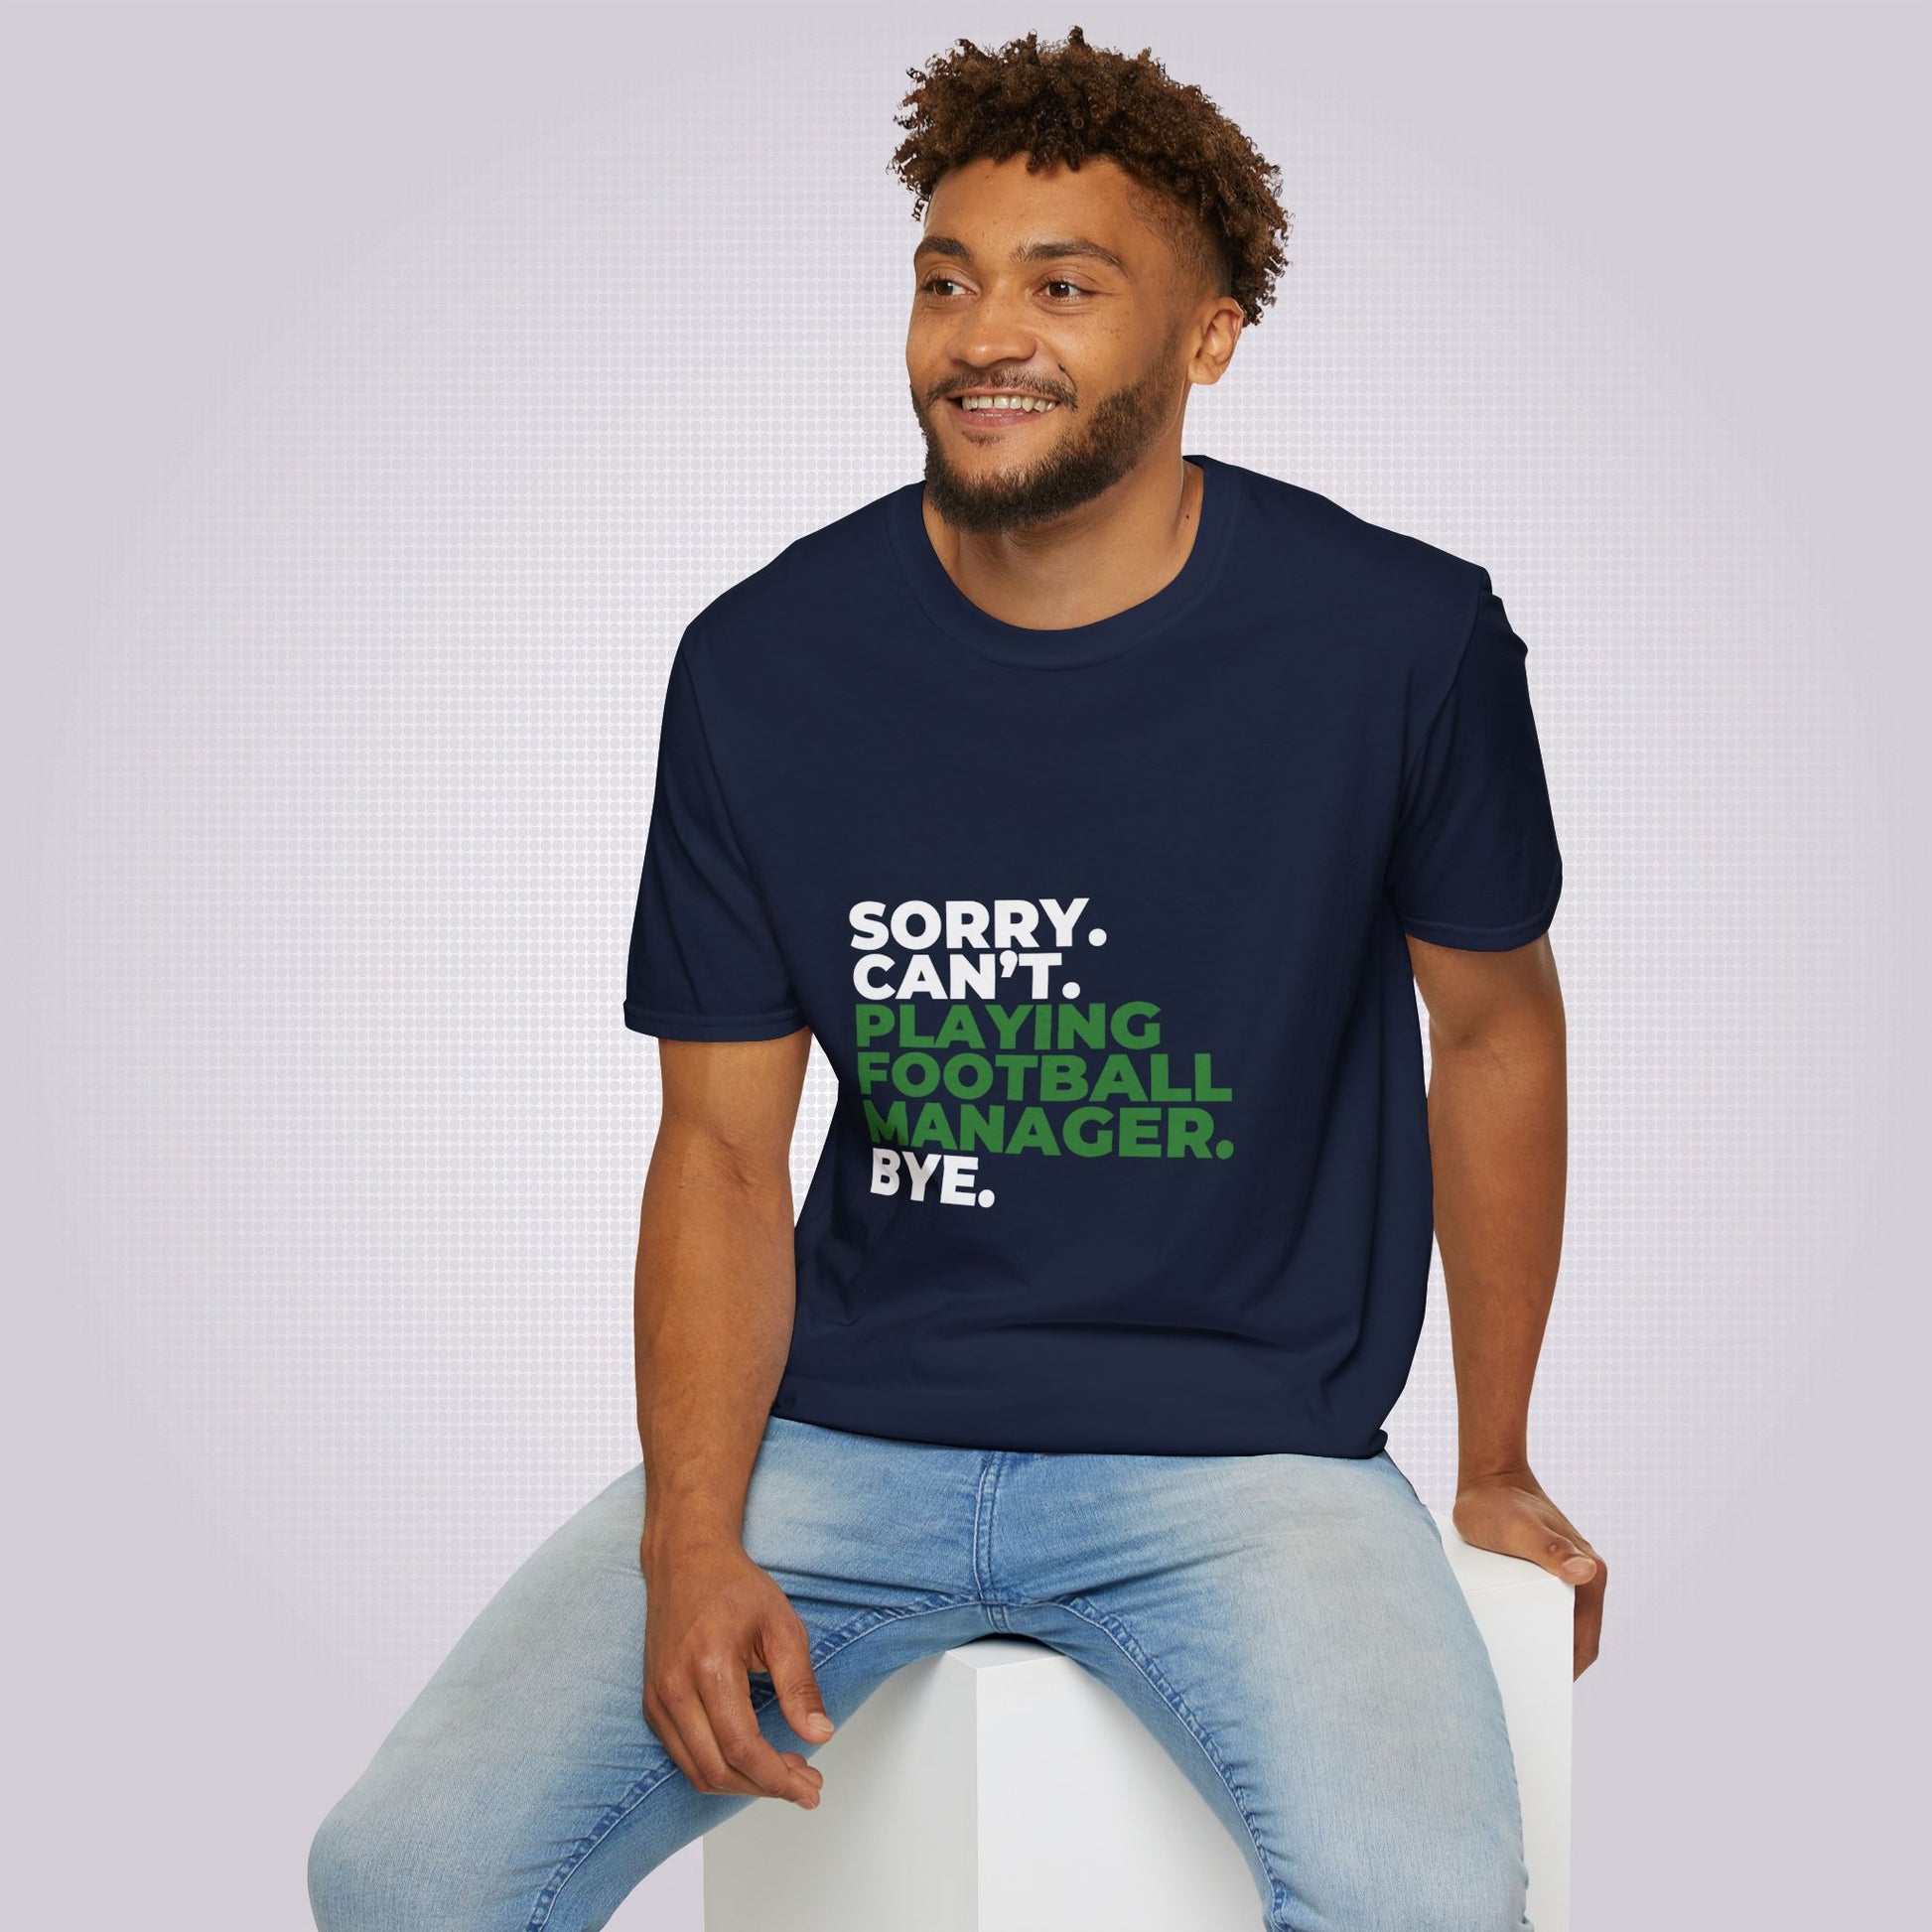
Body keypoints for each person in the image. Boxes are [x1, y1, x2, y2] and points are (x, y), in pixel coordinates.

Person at [308, 26, 1604, 1932]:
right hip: (842, 1432)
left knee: (1424, 1904)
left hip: (1246, 1452)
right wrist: (693, 1533)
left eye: (1063, 285)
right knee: (405, 1873)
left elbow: (1490, 1031)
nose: (983, 331)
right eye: (946, 277)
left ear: (1207, 340)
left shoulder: (1397, 641)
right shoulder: (764, 663)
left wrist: (1494, 1458)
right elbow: (722, 1151)